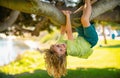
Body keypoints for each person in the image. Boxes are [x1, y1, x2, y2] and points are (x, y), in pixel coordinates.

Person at [44, 0, 98, 78]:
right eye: (61, 50)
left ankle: (89, 4)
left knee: (76, 16)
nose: (61, 46)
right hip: (91, 40)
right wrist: (67, 16)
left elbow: (63, 31)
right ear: (63, 55)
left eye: (58, 46)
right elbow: (69, 32)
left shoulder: (59, 43)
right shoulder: (71, 50)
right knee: (84, 20)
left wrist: (64, 18)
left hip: (82, 37)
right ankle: (88, 1)